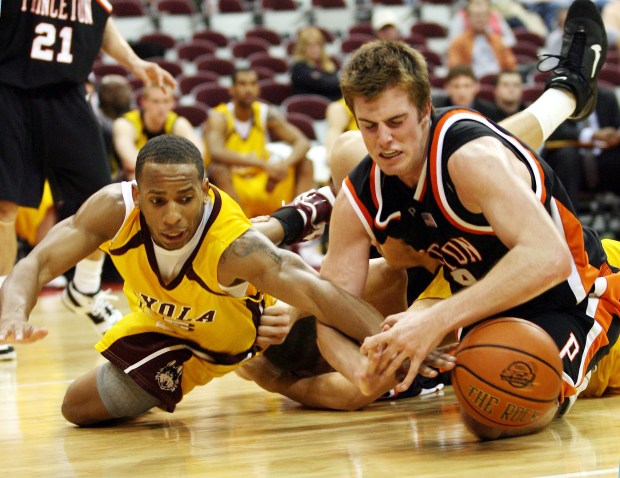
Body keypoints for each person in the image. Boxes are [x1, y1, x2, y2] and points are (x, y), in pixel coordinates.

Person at [313, 1, 618, 439]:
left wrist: (434, 320)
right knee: (473, 405)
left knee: (506, 410)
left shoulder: (468, 157)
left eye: (396, 121)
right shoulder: (360, 192)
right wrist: (358, 371)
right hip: (485, 305)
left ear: (424, 111)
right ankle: (567, 91)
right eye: (369, 126)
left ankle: (568, 90)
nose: (384, 139)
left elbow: (547, 257)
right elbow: (331, 309)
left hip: (571, 292)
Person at [0, 134, 388, 426]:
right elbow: (37, 262)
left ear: (204, 191)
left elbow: (319, 293)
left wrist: (394, 337)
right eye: (157, 201)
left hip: (238, 335)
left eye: (185, 199)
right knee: (76, 408)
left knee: (269, 249)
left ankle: (256, 366)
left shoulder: (235, 246)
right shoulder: (112, 210)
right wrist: (14, 311)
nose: (172, 216)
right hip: (169, 328)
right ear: (137, 195)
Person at [0, 4, 176, 359]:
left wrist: (135, 63)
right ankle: (3, 310)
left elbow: (101, 23)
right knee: (4, 206)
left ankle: (85, 289)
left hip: (67, 93)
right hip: (8, 85)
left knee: (104, 201)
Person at [206, 68, 315, 219]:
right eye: (242, 84)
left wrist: (285, 164)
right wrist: (261, 164)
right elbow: (216, 151)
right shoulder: (220, 117)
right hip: (236, 182)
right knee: (219, 170)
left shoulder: (265, 113)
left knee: (305, 163)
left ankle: (301, 221)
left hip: (264, 179)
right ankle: (240, 229)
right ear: (231, 89)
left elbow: (303, 142)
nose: (248, 89)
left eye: (252, 84)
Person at [113, 84, 203, 181]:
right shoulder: (126, 123)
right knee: (135, 175)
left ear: (173, 102)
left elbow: (198, 154)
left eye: (166, 101)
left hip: (168, 176)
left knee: (198, 174)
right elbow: (130, 162)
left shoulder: (178, 123)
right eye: (156, 102)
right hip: (130, 180)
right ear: (144, 102)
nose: (161, 107)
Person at [447, 0, 518, 79]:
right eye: (476, 15)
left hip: (497, 83)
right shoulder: (458, 42)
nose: (480, 19)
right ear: (468, 17)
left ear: (488, 17)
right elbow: (455, 69)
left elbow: (511, 65)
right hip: (471, 83)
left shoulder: (498, 41)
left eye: (483, 15)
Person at [290, 26, 342, 101]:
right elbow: (323, 85)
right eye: (309, 45)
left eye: (317, 45)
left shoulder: (327, 64)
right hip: (310, 107)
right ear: (302, 47)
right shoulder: (299, 66)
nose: (314, 49)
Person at [433, 66, 498, 119]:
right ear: (447, 88)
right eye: (456, 86)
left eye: (467, 86)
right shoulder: (437, 112)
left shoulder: (490, 111)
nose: (462, 92)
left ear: (477, 87)